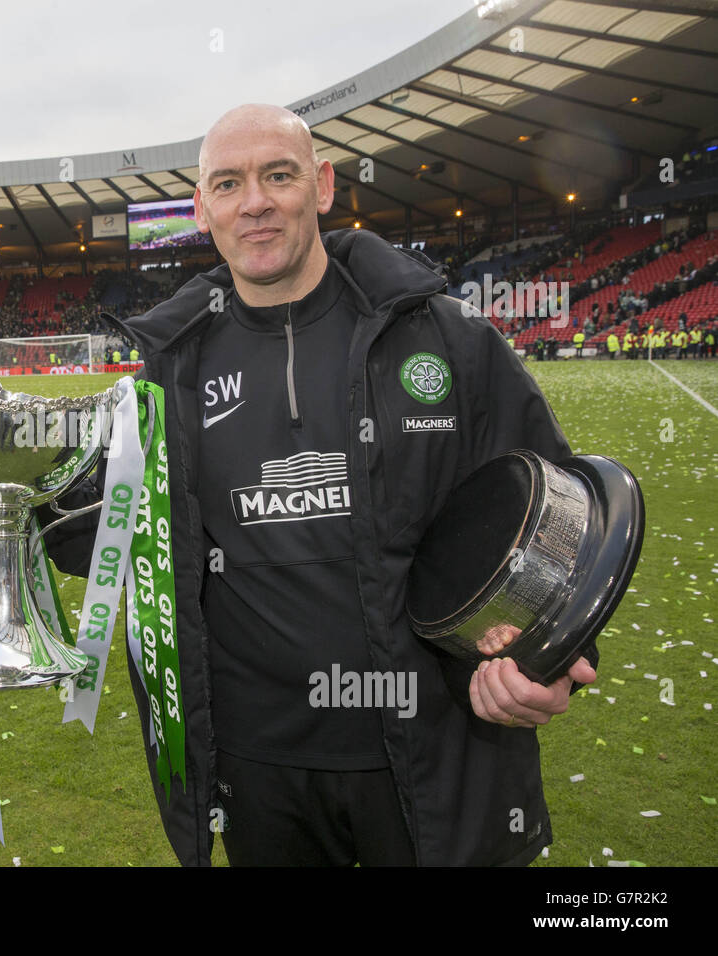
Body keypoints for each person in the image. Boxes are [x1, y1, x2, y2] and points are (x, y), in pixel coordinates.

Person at [48, 104, 596, 867]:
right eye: (228, 183)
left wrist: (550, 654)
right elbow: (97, 528)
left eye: (279, 175)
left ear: (324, 185)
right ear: (202, 209)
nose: (256, 202)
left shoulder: (445, 337)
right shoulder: (169, 371)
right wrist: (1, 475)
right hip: (257, 769)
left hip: (432, 741)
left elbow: (558, 509)